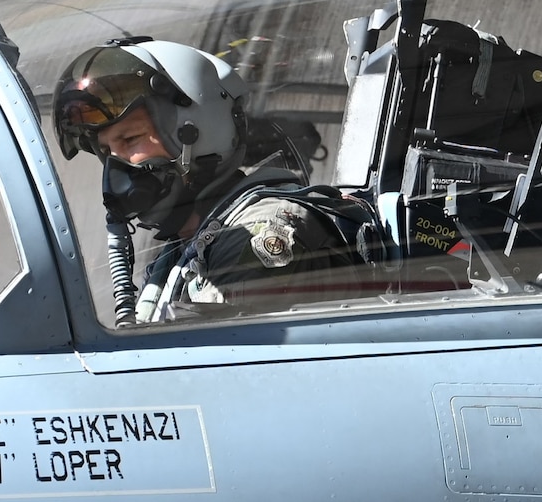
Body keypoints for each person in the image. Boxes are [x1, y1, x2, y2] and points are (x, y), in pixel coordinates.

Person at [52, 37, 369, 324]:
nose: (116, 166)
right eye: (107, 151)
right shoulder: (185, 251)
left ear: (197, 131)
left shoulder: (256, 233)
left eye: (131, 139)